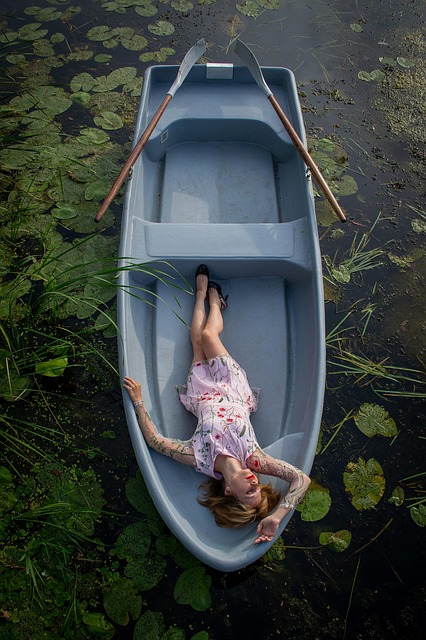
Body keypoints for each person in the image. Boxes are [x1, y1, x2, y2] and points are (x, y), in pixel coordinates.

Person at [124, 264, 311, 544]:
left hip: (202, 391)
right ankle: (216, 302)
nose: (253, 482)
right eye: (257, 486)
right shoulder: (254, 458)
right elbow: (301, 480)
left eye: (249, 491)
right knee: (210, 337)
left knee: (196, 341)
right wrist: (275, 517)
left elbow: (154, 441)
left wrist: (139, 401)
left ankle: (200, 295)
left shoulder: (198, 458)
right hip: (232, 385)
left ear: (227, 492)